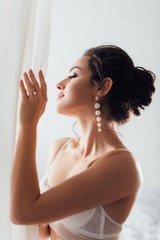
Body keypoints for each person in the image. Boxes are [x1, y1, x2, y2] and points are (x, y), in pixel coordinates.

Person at [10, 44, 156, 240]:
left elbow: (23, 214)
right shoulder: (60, 149)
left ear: (102, 87)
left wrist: (28, 126)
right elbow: (40, 229)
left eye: (73, 76)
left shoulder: (122, 166)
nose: (60, 84)